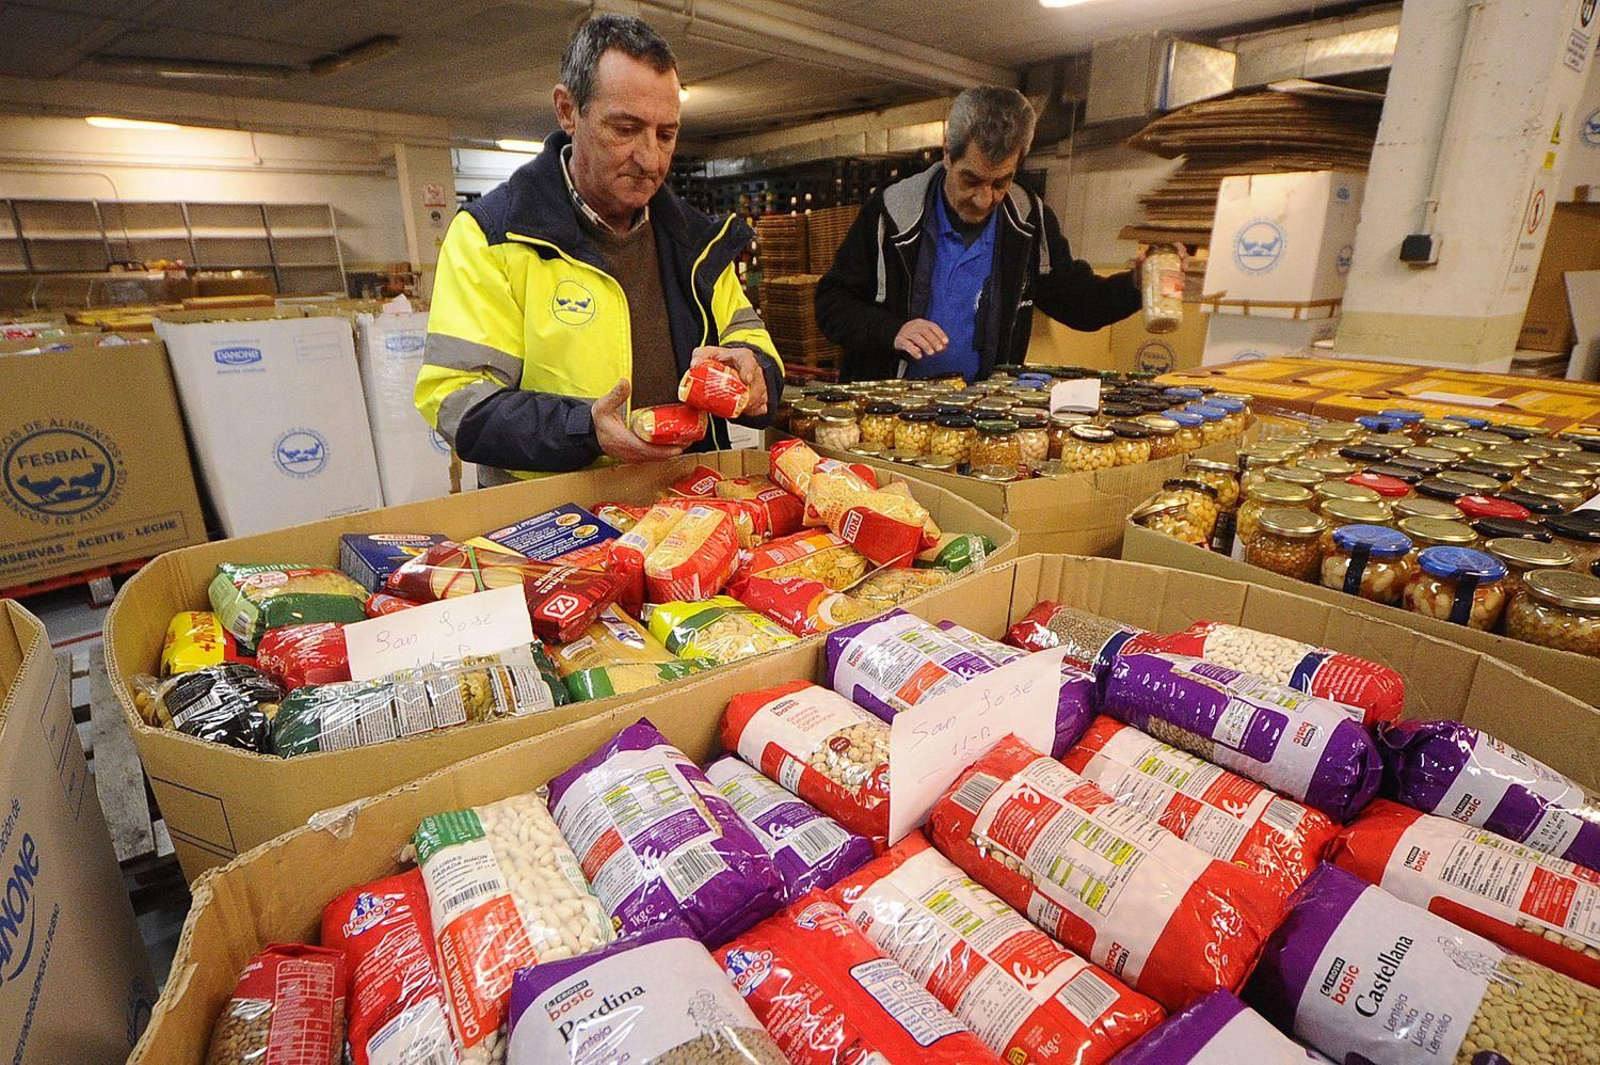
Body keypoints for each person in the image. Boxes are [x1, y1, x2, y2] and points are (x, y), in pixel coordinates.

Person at [416, 15, 782, 483]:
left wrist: (755, 377)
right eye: (625, 129)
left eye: (665, 134)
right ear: (568, 110)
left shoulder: (697, 242)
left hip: (687, 505)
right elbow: (457, 402)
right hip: (551, 524)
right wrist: (584, 430)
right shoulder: (492, 237)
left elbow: (755, 346)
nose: (650, 159)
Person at [816, 86, 1159, 384]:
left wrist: (1135, 286)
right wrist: (891, 331)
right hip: (889, 419)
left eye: (1000, 182)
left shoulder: (1029, 219)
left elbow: (1079, 303)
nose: (984, 199)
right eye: (971, 180)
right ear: (947, 154)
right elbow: (832, 305)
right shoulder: (891, 213)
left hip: (983, 419)